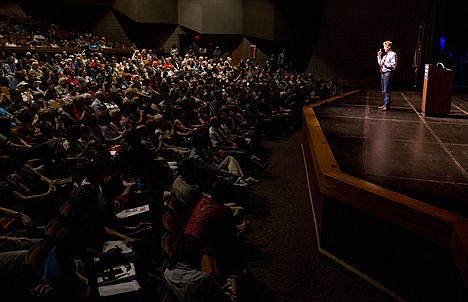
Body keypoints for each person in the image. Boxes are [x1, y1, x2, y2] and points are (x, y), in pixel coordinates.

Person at [377, 41, 398, 111]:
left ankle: (387, 106)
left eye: (385, 46)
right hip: (383, 73)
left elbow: (394, 65)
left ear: (389, 47)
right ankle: (385, 104)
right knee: (384, 90)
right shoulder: (385, 55)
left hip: (387, 73)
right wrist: (379, 56)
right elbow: (380, 64)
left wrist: (385, 64)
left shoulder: (393, 54)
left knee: (387, 90)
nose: (383, 48)